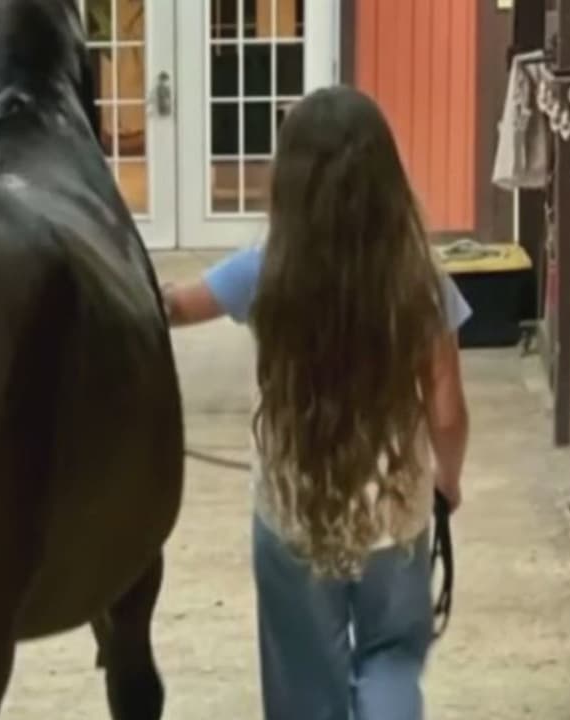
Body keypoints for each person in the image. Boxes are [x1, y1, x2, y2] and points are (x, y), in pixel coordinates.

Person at [161, 85, 471, 720]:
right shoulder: (419, 280)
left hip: (291, 509)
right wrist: (448, 479)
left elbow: (170, 307)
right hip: (397, 508)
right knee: (389, 657)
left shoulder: (264, 271)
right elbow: (445, 407)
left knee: (303, 675)